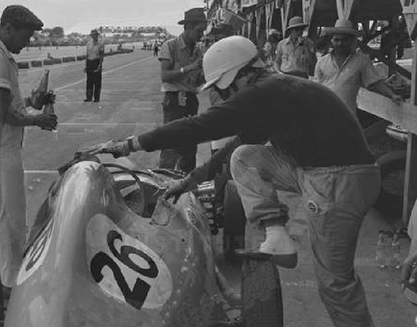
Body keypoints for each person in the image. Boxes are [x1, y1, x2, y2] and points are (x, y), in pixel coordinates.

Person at [98, 35, 380, 327]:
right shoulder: (278, 90)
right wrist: (192, 180)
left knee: (335, 285)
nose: (228, 96)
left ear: (237, 74)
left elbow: (200, 126)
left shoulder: (265, 91)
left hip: (338, 180)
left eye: (225, 87)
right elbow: (238, 145)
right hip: (324, 172)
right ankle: (277, 237)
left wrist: (133, 144)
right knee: (245, 157)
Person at [0, 5, 58, 299]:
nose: (28, 41)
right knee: (11, 212)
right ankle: (12, 282)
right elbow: (4, 112)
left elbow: (12, 105)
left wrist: (36, 101)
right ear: (8, 28)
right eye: (26, 35)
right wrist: (38, 119)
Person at [315, 19, 403, 119]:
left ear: (351, 41)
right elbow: (316, 89)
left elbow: (374, 82)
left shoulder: (362, 61)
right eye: (337, 40)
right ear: (332, 41)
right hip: (324, 116)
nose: (340, 43)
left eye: (344, 40)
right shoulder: (322, 62)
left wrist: (391, 95)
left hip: (348, 118)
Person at [156, 7, 207, 173]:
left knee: (190, 147)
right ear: (188, 27)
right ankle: (163, 184)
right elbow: (165, 75)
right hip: (174, 100)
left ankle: (185, 186)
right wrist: (188, 68)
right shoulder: (170, 46)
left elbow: (198, 80)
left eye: (203, 31)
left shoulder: (199, 51)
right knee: (170, 144)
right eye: (199, 31)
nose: (202, 35)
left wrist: (206, 74)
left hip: (191, 100)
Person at [84, 29, 104, 103]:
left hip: (96, 62)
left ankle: (96, 98)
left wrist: (100, 65)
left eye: (95, 34)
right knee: (89, 81)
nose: (93, 36)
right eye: (92, 35)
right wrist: (86, 65)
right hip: (89, 62)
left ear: (97, 35)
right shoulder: (88, 44)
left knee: (97, 81)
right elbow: (87, 55)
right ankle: (88, 97)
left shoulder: (100, 44)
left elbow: (101, 55)